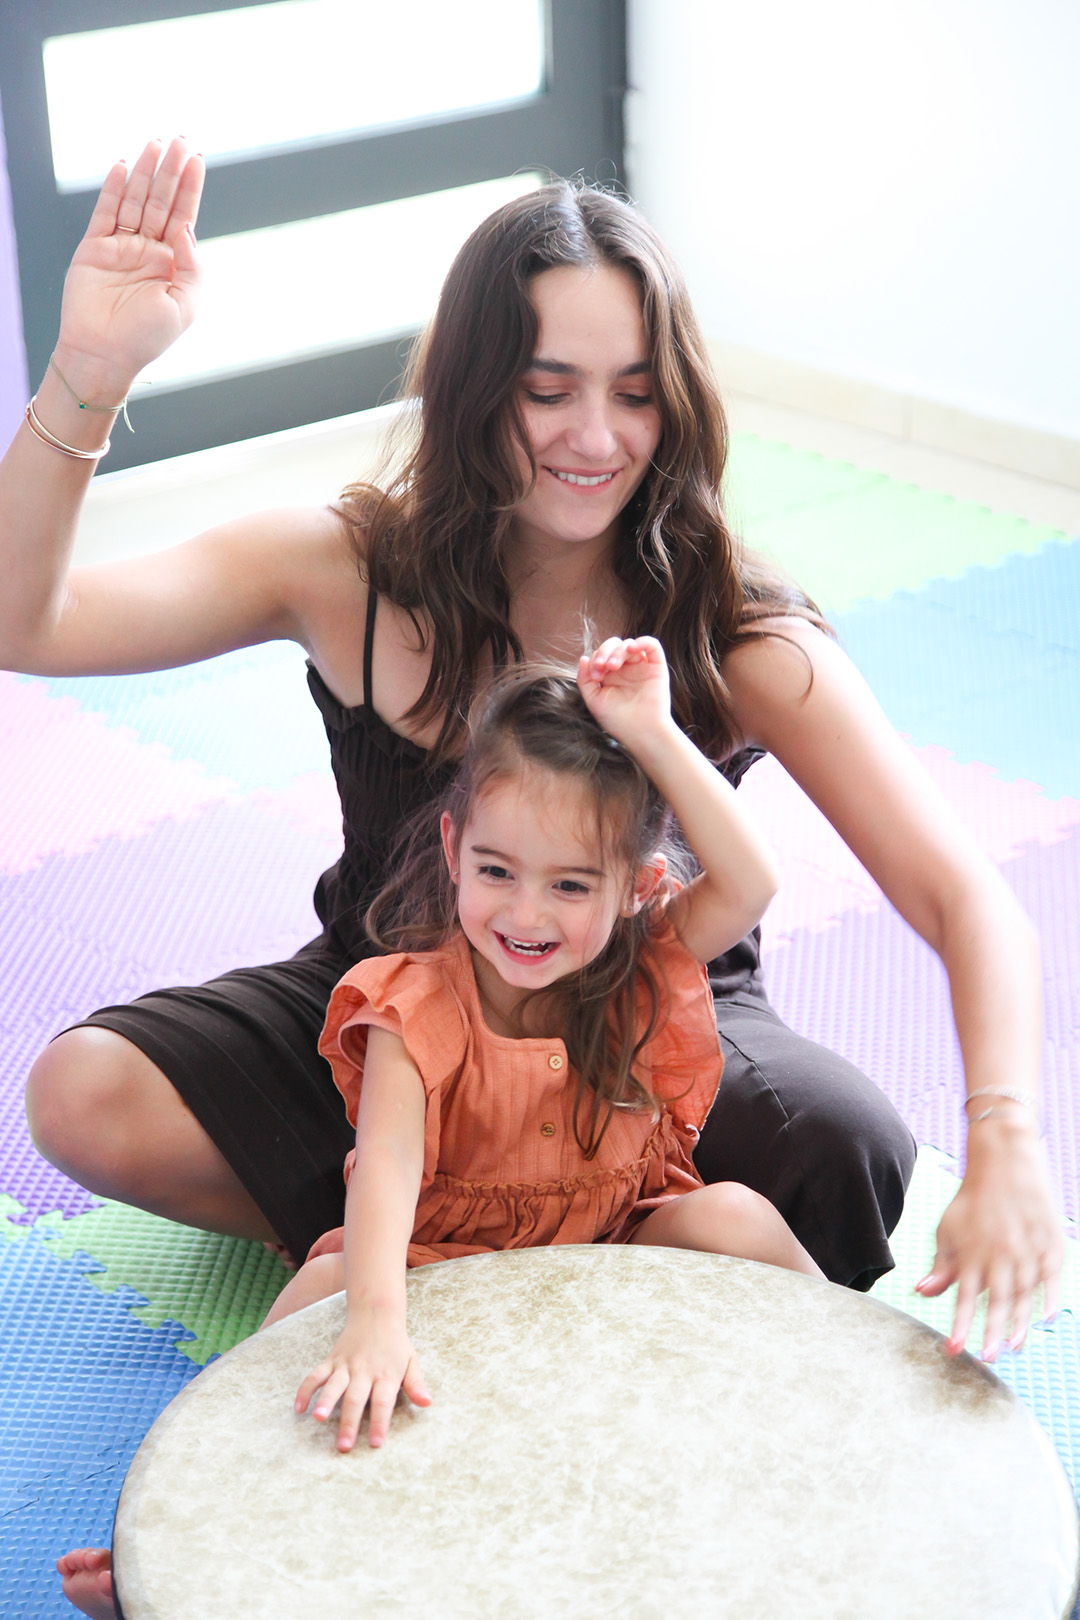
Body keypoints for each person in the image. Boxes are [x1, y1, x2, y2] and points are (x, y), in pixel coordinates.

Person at [0, 138, 1058, 1605]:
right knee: (79, 1095)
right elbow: (25, 623)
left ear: (673, 400)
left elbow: (960, 893)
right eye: (547, 385)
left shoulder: (732, 624)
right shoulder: (346, 564)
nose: (592, 434)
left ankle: (477, 1232)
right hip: (393, 1003)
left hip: (640, 1016)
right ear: (476, 385)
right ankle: (465, 1236)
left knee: (845, 1149)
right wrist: (91, 373)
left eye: (632, 391)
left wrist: (1005, 1134)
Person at [267, 637, 821, 1451]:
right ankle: (189, 1510)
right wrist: (376, 1323)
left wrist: (653, 729)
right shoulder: (408, 1006)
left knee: (735, 1215)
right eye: (497, 872)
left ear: (638, 886)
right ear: (454, 850)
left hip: (615, 1247)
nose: (525, 916)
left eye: (569, 885)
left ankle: (851, 1372)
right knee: (326, 1286)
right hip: (445, 1268)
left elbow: (751, 881)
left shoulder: (646, 963)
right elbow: (385, 1164)